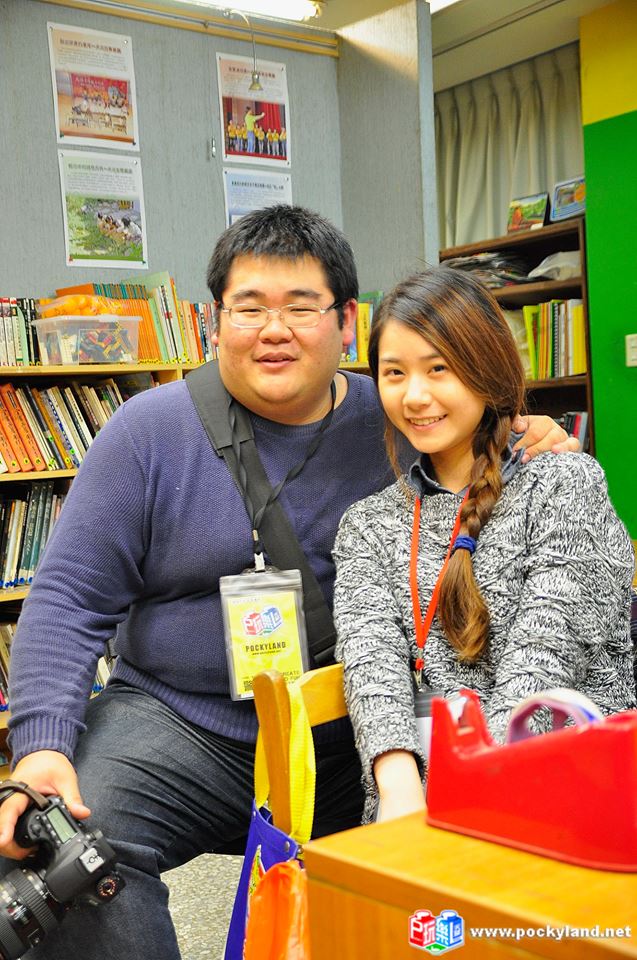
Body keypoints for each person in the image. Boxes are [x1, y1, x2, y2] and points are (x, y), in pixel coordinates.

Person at [0, 207, 576, 960]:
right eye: (249, 308)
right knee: (67, 843)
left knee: (438, 879)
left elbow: (496, 470)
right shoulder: (146, 432)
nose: (274, 330)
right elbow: (69, 596)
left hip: (359, 726)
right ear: (216, 321)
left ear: (346, 322)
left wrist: (528, 432)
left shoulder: (403, 416)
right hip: (180, 723)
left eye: (301, 307)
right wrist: (40, 746)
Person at [332, 267, 636, 826]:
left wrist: (469, 794)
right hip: (421, 809)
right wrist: (399, 793)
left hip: (569, 796)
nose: (415, 395)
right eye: (394, 373)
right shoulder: (367, 525)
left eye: (438, 368)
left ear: (487, 369)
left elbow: (544, 662)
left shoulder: (564, 485)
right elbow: (372, 666)